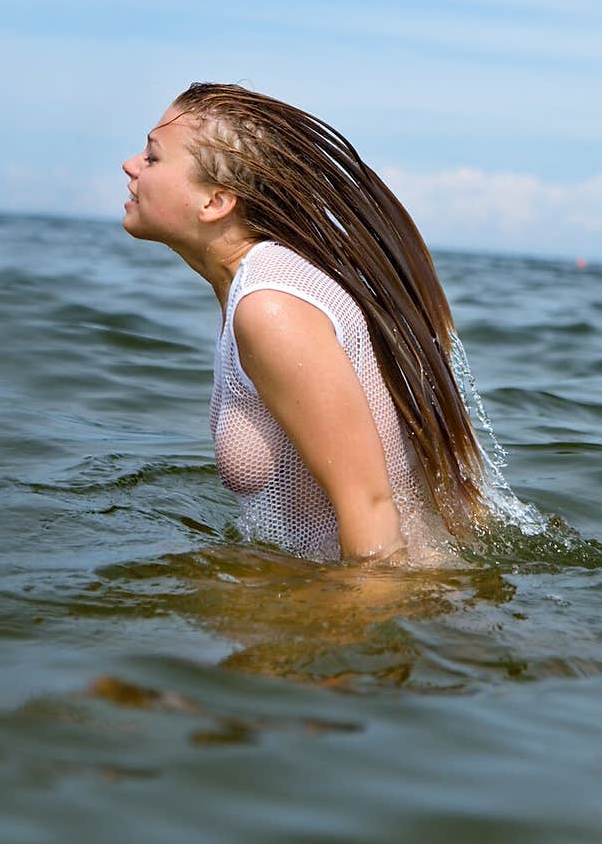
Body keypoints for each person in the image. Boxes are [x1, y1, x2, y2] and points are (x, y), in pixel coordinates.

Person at [122, 82, 489, 567]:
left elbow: (372, 512)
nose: (131, 165)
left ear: (215, 202)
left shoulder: (270, 306)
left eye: (152, 158)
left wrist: (357, 632)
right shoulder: (269, 284)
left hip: (396, 594)